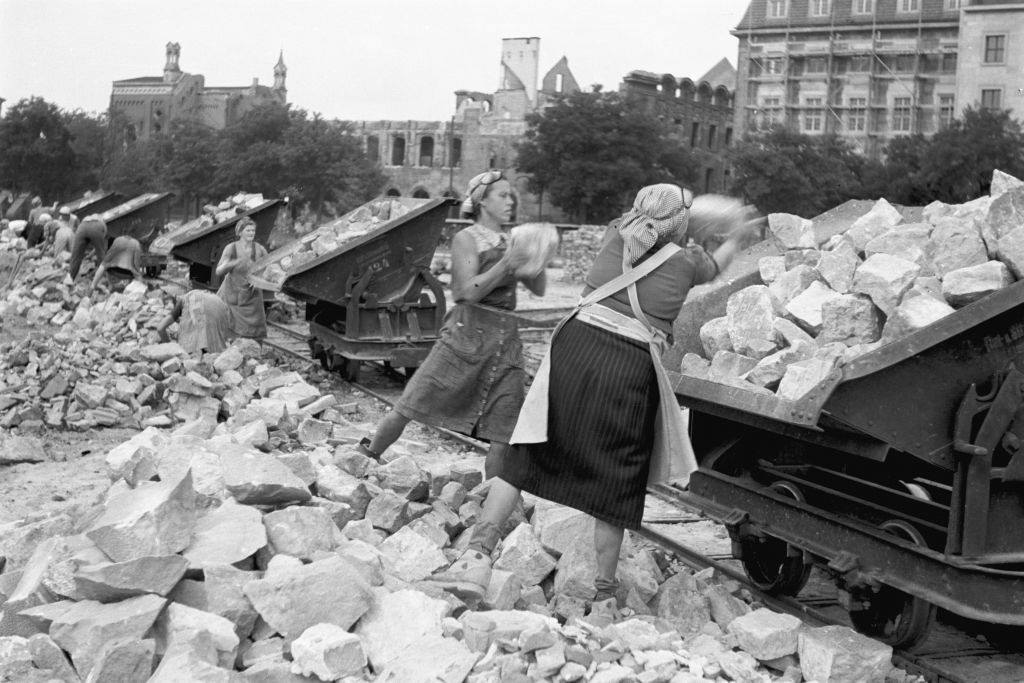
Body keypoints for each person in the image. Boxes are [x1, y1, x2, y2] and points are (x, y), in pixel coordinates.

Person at [438, 184, 753, 604]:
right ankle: (602, 599)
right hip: (628, 363)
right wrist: (737, 232)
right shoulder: (688, 262)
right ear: (680, 225)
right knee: (617, 475)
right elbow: (716, 264)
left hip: (576, 346)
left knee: (528, 451)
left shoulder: (615, 232)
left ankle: (476, 559)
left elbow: (647, 221)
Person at [358, 170, 545, 479]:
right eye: (502, 195)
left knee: (503, 428)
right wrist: (506, 263)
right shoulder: (466, 238)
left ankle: (489, 501)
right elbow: (464, 292)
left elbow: (538, 289)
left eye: (510, 195)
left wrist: (538, 255)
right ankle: (368, 453)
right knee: (414, 400)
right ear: (482, 201)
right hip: (466, 335)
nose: (510, 201)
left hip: (505, 342)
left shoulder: (512, 240)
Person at [216, 217, 268, 339]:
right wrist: (231, 264)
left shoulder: (259, 249)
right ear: (240, 232)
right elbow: (219, 271)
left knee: (255, 332)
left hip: (252, 297)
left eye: (253, 230)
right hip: (231, 295)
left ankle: (252, 353)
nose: (251, 233)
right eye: (248, 230)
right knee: (229, 328)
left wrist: (260, 280)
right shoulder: (231, 248)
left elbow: (269, 267)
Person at [156, 288, 234, 354]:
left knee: (188, 348)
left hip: (208, 305)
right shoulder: (199, 294)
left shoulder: (183, 300)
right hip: (220, 305)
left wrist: (170, 347)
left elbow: (160, 328)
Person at [68, 214, 108, 281]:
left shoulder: (87, 219)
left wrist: (89, 255)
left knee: (75, 257)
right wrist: (93, 255)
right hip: (96, 227)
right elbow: (100, 248)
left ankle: (70, 279)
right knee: (101, 256)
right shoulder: (102, 225)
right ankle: (103, 279)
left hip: (82, 226)